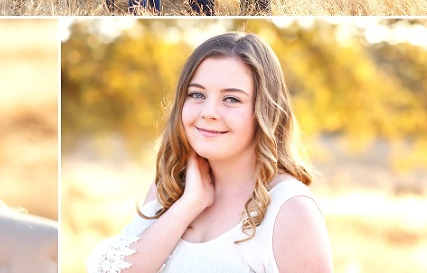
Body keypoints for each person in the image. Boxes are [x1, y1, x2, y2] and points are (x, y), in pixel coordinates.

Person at [86, 32, 332, 273]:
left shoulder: (291, 211)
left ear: (265, 111)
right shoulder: (171, 187)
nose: (208, 112)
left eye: (232, 99)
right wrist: (188, 206)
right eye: (197, 94)